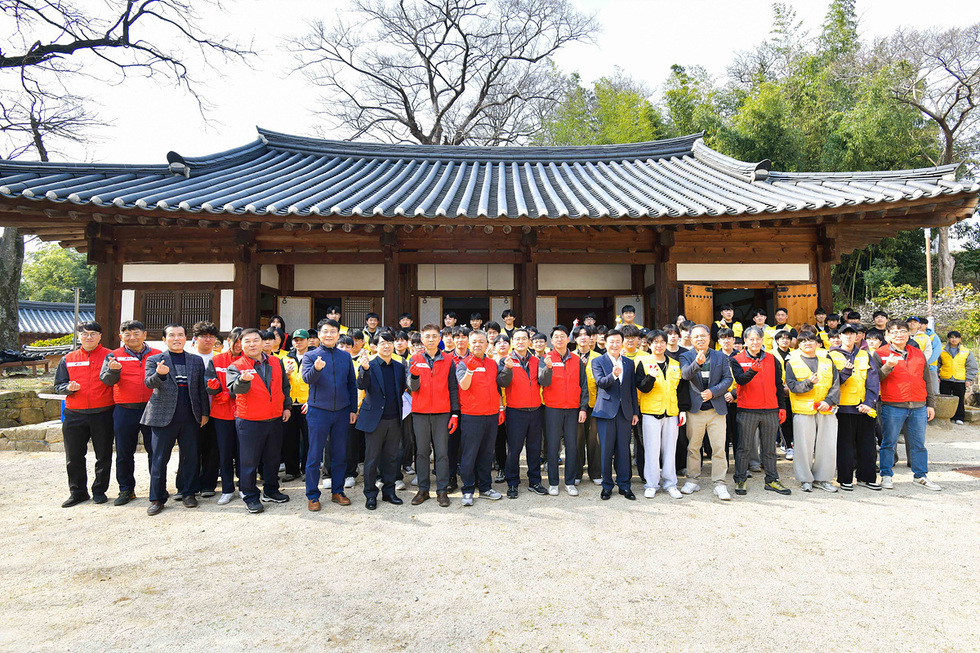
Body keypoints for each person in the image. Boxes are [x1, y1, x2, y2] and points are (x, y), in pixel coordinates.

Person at [142, 324, 210, 516]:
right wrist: (159, 375)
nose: (177, 338)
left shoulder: (195, 361)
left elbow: (201, 390)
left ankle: (189, 493)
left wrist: (204, 413)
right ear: (165, 339)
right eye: (172, 335)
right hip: (162, 417)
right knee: (159, 459)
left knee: (190, 457)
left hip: (190, 417)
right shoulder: (155, 359)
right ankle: (157, 498)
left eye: (180, 335)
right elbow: (148, 383)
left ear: (186, 338)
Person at [225, 328, 292, 513]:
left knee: (273, 458)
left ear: (263, 343)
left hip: (275, 417)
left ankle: (271, 490)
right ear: (241, 345)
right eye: (247, 341)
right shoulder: (236, 366)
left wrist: (286, 406)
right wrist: (243, 380)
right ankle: (250, 495)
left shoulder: (276, 362)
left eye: (256, 340)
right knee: (249, 461)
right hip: (250, 420)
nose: (252, 344)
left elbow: (284, 386)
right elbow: (234, 389)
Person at [873, 319, 941, 491]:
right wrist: (888, 366)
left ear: (908, 333)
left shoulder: (917, 353)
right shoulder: (879, 354)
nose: (899, 335)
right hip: (892, 404)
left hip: (918, 405)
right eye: (894, 332)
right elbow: (875, 380)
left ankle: (920, 476)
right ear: (887, 335)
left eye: (902, 331)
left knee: (918, 443)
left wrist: (930, 404)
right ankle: (886, 475)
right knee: (889, 442)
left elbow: (927, 380)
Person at [99, 320, 160, 506]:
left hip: (153, 409)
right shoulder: (113, 356)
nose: (132, 337)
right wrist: (113, 372)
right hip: (125, 409)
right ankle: (126, 489)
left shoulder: (158, 354)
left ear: (145, 335)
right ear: (121, 337)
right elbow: (106, 380)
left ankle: (157, 489)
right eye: (127, 334)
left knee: (155, 451)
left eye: (136, 333)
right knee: (124, 453)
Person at [54, 321, 115, 508]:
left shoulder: (110, 356)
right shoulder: (68, 358)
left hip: (103, 412)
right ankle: (78, 492)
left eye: (93, 334)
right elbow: (58, 386)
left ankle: (99, 491)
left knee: (103, 454)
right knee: (74, 456)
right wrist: (67, 388)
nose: (89, 337)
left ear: (100, 337)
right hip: (74, 414)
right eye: (85, 333)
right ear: (78, 335)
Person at [302, 318, 358, 511]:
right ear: (319, 334)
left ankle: (338, 491)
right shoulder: (311, 356)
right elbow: (307, 379)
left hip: (342, 412)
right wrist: (317, 369)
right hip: (318, 411)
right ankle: (313, 495)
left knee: (340, 454)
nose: (328, 335)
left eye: (332, 332)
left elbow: (352, 384)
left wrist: (352, 409)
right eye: (325, 331)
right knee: (314, 455)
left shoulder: (345, 357)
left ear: (337, 335)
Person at [730, 325, 791, 496]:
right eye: (751, 339)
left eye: (758, 339)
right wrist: (752, 371)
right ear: (745, 342)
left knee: (770, 448)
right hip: (747, 409)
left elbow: (778, 385)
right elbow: (740, 381)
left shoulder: (772, 359)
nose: (755, 342)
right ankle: (740, 479)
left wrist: (782, 407)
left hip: (771, 409)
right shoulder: (737, 359)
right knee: (744, 447)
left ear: (763, 340)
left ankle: (772, 480)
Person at [679, 324, 735, 501]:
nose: (700, 339)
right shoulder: (685, 356)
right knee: (693, 448)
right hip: (695, 411)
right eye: (696, 337)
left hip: (716, 409)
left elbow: (728, 379)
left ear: (709, 337)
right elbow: (685, 375)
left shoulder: (719, 356)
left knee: (719, 448)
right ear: (691, 339)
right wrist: (698, 363)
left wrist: (714, 392)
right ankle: (692, 480)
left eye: (703, 336)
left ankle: (720, 483)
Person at [407, 324, 460, 507]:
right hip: (420, 413)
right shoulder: (414, 359)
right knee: (421, 452)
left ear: (440, 339)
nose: (431, 339)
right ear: (421, 339)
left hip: (442, 413)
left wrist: (454, 413)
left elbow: (453, 388)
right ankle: (423, 490)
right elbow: (412, 388)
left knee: (442, 453)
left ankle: (442, 490)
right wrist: (414, 377)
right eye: (427, 336)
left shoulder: (448, 360)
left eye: (434, 336)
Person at [355, 332, 406, 510]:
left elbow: (400, 390)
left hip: (394, 419)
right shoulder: (369, 364)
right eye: (383, 343)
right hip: (374, 420)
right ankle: (370, 494)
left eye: (390, 342)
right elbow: (361, 385)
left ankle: (389, 491)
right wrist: (365, 369)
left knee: (392, 458)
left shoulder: (399, 367)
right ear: (375, 346)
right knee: (371, 459)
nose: (387, 346)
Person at [785, 332, 840, 493]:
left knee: (827, 445)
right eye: (803, 341)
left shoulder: (827, 361)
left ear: (818, 343)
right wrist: (809, 383)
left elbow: (836, 384)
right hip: (803, 410)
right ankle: (805, 479)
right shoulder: (792, 363)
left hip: (826, 409)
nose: (807, 343)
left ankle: (823, 478)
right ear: (799, 345)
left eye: (811, 340)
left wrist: (828, 401)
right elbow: (793, 387)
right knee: (803, 447)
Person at [497, 328, 548, 498]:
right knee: (514, 449)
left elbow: (544, 381)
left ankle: (535, 481)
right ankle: (512, 483)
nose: (520, 342)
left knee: (534, 448)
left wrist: (548, 368)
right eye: (517, 339)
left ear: (529, 342)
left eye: (524, 339)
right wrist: (507, 369)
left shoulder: (537, 360)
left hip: (535, 410)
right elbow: (501, 383)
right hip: (515, 411)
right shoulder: (506, 360)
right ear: (512, 342)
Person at [829, 324, 881, 491]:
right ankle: (845, 478)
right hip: (844, 407)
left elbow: (873, 381)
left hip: (864, 407)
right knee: (845, 445)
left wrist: (869, 402)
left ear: (858, 336)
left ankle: (867, 477)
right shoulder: (832, 356)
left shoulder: (865, 355)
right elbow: (831, 382)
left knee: (867, 444)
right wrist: (844, 372)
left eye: (853, 334)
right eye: (846, 334)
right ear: (840, 337)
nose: (849, 337)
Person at [635, 329, 684, 499]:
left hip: (671, 412)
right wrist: (650, 377)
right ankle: (652, 484)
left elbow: (680, 390)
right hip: (650, 412)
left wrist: (682, 410)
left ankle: (671, 483)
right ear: (649, 344)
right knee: (651, 450)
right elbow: (642, 387)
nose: (659, 345)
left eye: (662, 341)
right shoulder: (642, 362)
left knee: (670, 450)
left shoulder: (675, 364)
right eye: (655, 342)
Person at [457, 330, 504, 506]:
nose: (477, 345)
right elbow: (463, 386)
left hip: (491, 415)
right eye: (474, 342)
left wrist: (500, 408)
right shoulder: (463, 363)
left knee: (486, 453)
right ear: (469, 344)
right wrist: (470, 370)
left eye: (481, 342)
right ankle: (468, 489)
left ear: (487, 344)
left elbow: (497, 388)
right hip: (472, 415)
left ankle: (485, 487)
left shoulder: (493, 364)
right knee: (470, 454)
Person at [591, 329, 640, 500]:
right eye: (611, 341)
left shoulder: (628, 362)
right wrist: (614, 374)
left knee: (624, 450)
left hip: (625, 412)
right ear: (605, 343)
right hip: (605, 412)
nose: (614, 345)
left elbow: (632, 389)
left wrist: (635, 411)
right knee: (606, 450)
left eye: (618, 341)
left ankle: (625, 485)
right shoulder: (598, 361)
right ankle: (606, 486)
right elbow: (601, 383)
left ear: (622, 343)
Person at [541, 325, 588, 496]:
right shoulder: (546, 358)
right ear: (551, 341)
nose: (559, 339)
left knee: (572, 445)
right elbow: (543, 382)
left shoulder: (576, 360)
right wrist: (547, 368)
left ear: (569, 339)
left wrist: (583, 408)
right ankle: (553, 482)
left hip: (573, 408)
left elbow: (583, 385)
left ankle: (569, 482)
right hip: (553, 408)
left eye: (563, 336)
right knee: (552, 446)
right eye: (556, 337)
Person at [204, 327, 243, 506]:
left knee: (244, 453)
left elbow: (251, 385)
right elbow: (210, 383)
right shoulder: (217, 360)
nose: (239, 345)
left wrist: (230, 394)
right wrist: (215, 389)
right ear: (229, 340)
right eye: (236, 340)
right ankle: (227, 489)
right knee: (224, 452)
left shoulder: (249, 360)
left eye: (242, 340)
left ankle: (244, 486)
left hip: (244, 413)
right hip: (221, 414)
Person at [182, 320, 219, 499]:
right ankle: (185, 486)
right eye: (203, 336)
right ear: (195, 339)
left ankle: (208, 484)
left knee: (212, 449)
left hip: (216, 410)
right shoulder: (187, 357)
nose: (208, 339)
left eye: (211, 336)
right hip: (191, 412)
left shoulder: (219, 358)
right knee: (189, 449)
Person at [572, 326, 602, 485]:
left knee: (594, 440)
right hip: (575, 404)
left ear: (592, 338)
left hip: (595, 404)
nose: (583, 337)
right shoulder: (570, 356)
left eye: (586, 335)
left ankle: (595, 472)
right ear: (575, 339)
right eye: (579, 335)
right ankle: (577, 472)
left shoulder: (598, 357)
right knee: (577, 439)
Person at [282, 329, 311, 481]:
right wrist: (286, 374)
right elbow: (280, 382)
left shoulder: (313, 357)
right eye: (295, 340)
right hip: (290, 403)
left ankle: (307, 469)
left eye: (301, 339)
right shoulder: (285, 359)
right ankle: (291, 470)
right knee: (289, 438)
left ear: (308, 341)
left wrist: (311, 401)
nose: (298, 342)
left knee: (308, 438)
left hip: (308, 403)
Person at [939, 330, 977, 425]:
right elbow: (937, 364)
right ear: (948, 339)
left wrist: (968, 379)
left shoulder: (966, 351)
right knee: (945, 399)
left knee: (959, 399)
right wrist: (937, 376)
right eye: (951, 337)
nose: (954, 339)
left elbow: (972, 366)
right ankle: (947, 417)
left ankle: (959, 417)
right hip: (945, 378)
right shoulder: (942, 351)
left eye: (956, 337)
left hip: (960, 379)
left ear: (960, 339)